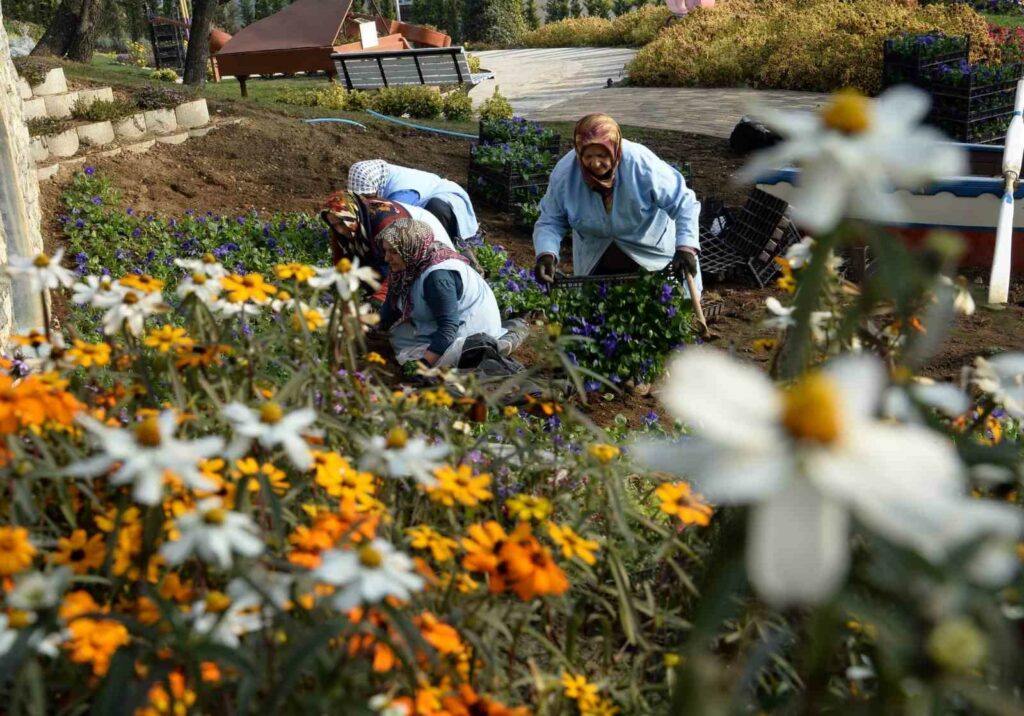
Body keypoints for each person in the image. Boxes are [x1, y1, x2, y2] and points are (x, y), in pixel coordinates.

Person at [532, 114, 702, 295]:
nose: (595, 163)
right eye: (588, 155)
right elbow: (550, 219)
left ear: (614, 149)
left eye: (602, 155)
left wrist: (685, 247)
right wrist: (546, 254)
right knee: (598, 312)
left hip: (649, 251)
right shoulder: (565, 174)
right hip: (597, 255)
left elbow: (684, 202)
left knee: (665, 305)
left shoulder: (640, 165)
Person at [376, 219, 525, 368]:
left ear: (410, 248)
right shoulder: (408, 266)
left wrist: (424, 365)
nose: (386, 258)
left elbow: (448, 327)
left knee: (426, 360)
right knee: (398, 336)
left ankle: (486, 347)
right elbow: (391, 306)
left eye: (393, 252)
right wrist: (369, 327)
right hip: (442, 321)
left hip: (468, 326)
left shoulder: (437, 278)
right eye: (386, 251)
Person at [319, 190, 454, 299]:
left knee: (409, 285)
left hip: (421, 236)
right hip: (390, 242)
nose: (340, 230)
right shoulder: (347, 219)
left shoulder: (387, 223)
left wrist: (379, 300)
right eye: (334, 225)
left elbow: (402, 266)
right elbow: (340, 257)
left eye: (342, 224)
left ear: (352, 215)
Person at [348, 160, 481, 248]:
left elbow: (396, 222)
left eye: (369, 196)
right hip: (424, 203)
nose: (367, 201)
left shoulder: (401, 192)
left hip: (449, 200)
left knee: (436, 209)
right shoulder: (374, 178)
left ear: (376, 186)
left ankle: (445, 245)